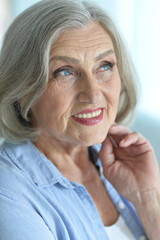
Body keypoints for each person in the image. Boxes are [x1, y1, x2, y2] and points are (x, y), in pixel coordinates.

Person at [0, 0, 159, 239]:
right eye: (64, 72)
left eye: (104, 66)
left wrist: (147, 198)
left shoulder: (120, 160)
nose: (93, 94)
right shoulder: (8, 196)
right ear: (22, 90)